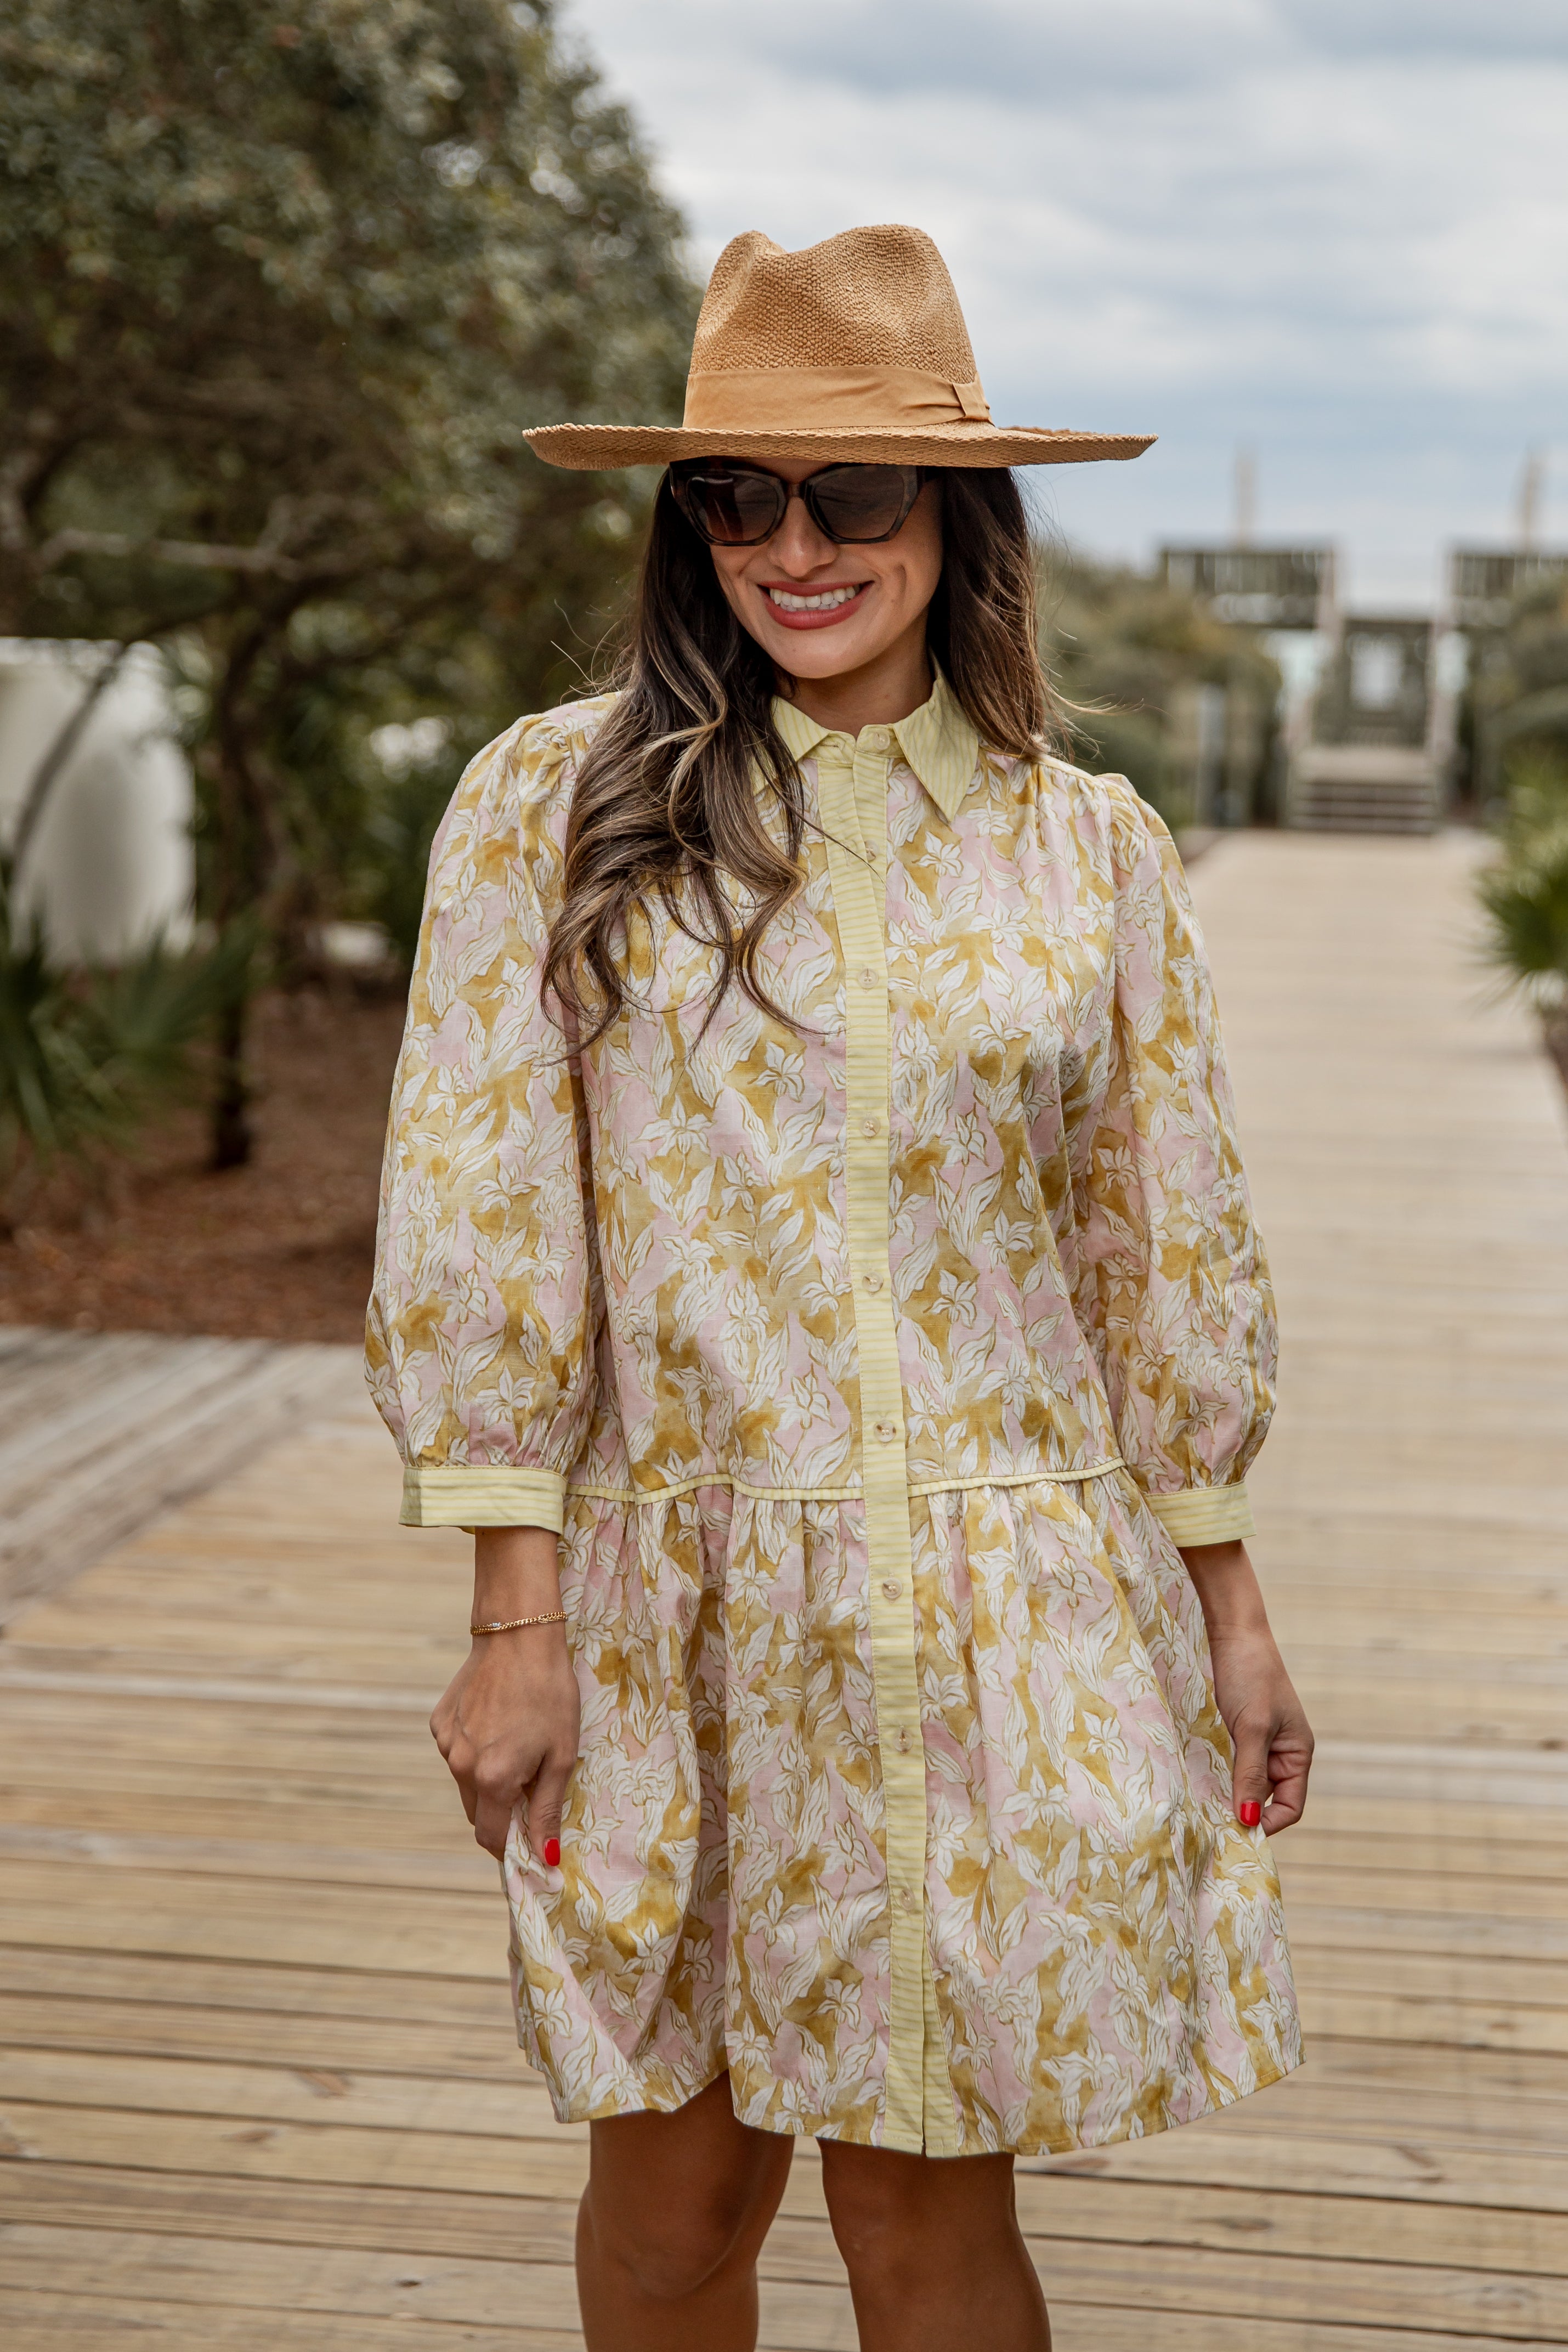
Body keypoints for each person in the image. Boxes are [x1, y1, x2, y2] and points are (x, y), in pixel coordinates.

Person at [367, 224, 1312, 2352]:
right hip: (675, 1607)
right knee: (678, 2193)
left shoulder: (1091, 851)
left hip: (1001, 1608)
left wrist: (1230, 1611)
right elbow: (481, 1212)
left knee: (921, 2208)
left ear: (953, 516)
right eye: (732, 496)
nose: (790, 546)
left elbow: (1155, 1254)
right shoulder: (555, 808)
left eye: (851, 494)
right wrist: (511, 1622)